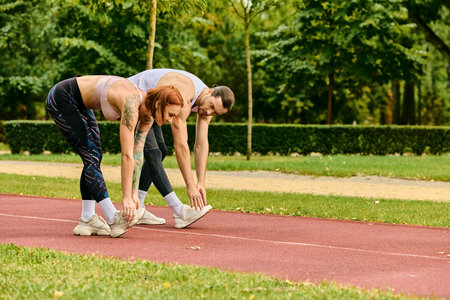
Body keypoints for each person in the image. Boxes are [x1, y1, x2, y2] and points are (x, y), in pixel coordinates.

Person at [46, 75, 183, 237]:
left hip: (80, 103)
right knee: (92, 156)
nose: (171, 120)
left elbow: (137, 154)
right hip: (62, 97)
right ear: (159, 104)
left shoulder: (148, 117)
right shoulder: (132, 103)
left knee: (93, 157)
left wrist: (133, 193)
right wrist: (126, 198)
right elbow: (126, 155)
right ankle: (112, 217)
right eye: (171, 114)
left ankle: (87, 218)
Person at [128, 69, 234, 228]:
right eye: (211, 106)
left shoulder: (205, 104)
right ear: (210, 91)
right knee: (154, 153)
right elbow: (180, 145)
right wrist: (190, 186)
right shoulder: (184, 97)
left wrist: (201, 182)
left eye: (215, 112)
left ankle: (138, 207)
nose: (208, 112)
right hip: (132, 97)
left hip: (150, 104)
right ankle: (179, 211)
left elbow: (201, 144)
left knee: (161, 151)